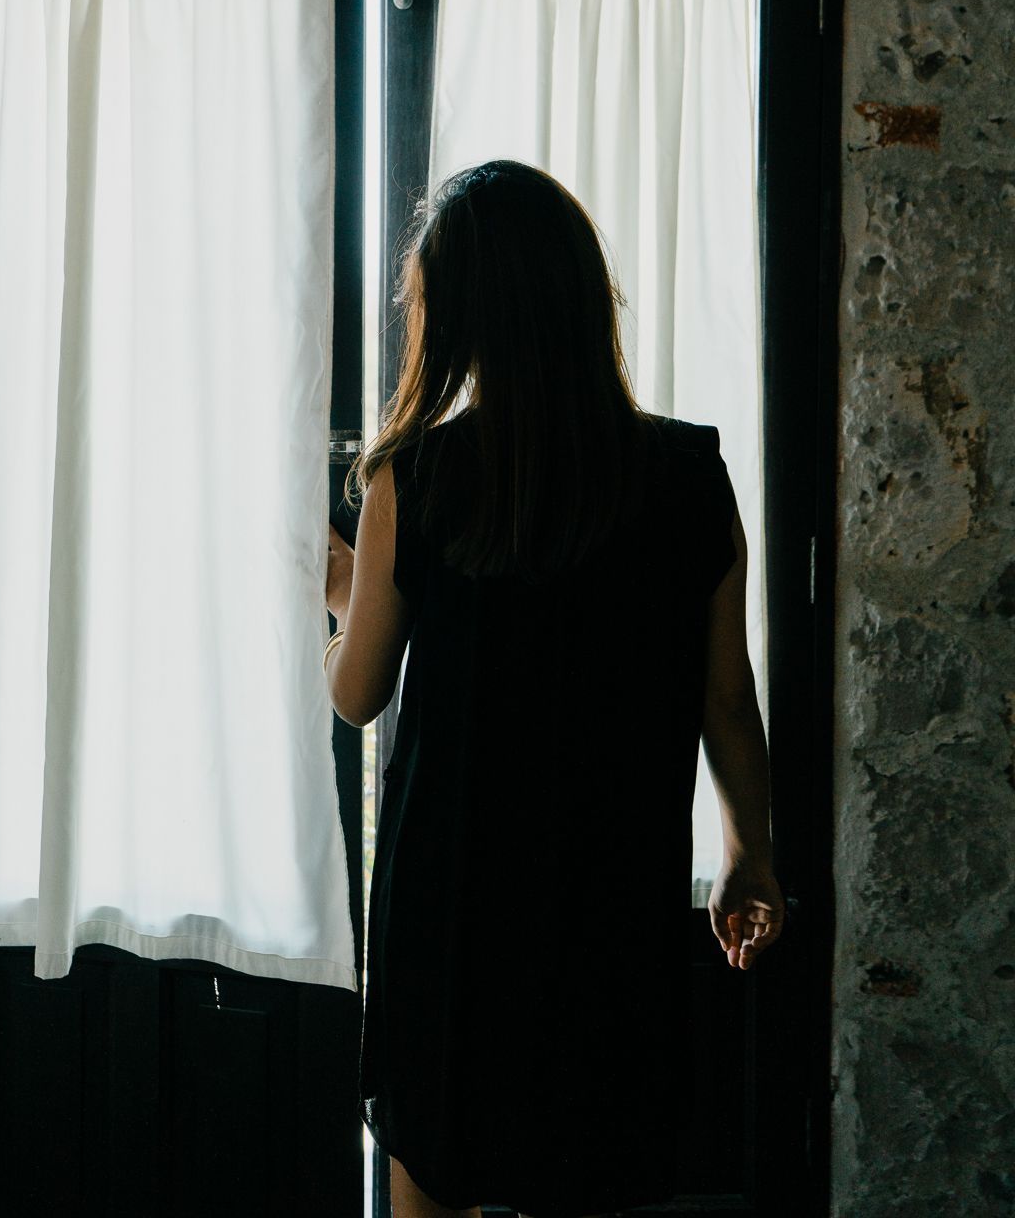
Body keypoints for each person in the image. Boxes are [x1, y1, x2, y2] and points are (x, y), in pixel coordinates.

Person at [323, 159, 785, 1218]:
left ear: (459, 317)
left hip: (454, 917)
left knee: (439, 1177)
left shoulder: (418, 479)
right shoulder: (687, 475)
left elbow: (356, 695)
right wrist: (750, 853)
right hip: (612, 905)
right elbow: (727, 696)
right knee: (603, 1172)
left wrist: (343, 582)